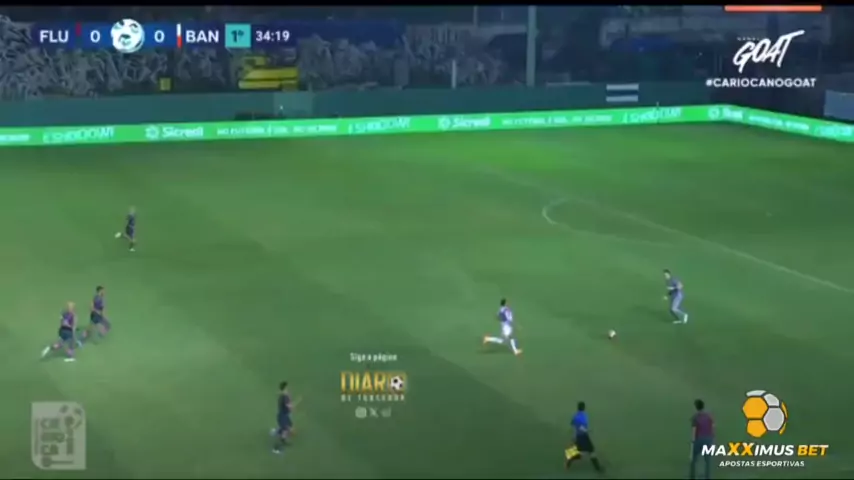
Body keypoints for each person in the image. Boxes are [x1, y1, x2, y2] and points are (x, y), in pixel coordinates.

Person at [565, 401, 604, 472]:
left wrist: (574, 435)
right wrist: (587, 430)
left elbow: (572, 424)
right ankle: (598, 469)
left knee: (585, 451)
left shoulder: (576, 415)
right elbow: (580, 427)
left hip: (579, 436)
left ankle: (570, 458)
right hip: (583, 436)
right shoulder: (583, 416)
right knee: (590, 451)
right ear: (584, 408)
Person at [690, 399, 714, 479]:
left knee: (693, 459)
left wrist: (693, 441)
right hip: (708, 439)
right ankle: (707, 477)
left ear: (696, 407)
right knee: (707, 461)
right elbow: (712, 427)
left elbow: (694, 430)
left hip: (699, 439)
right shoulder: (709, 416)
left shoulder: (695, 417)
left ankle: (692, 476)